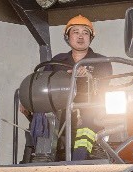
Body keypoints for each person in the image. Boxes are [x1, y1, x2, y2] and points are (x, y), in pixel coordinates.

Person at [31, 15, 111, 160]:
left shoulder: (101, 62)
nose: (81, 36)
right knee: (42, 115)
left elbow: (104, 87)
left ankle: (78, 162)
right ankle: (42, 157)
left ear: (90, 38)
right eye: (75, 32)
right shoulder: (57, 61)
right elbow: (43, 83)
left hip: (90, 110)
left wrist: (89, 77)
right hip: (60, 109)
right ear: (68, 37)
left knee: (86, 126)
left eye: (85, 33)